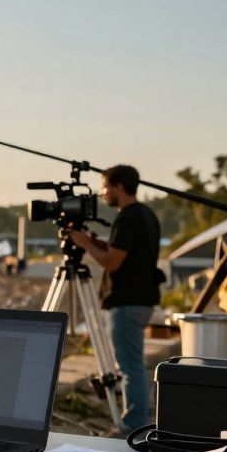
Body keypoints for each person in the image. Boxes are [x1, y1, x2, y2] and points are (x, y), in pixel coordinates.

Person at [67, 165, 162, 433]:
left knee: (130, 366)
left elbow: (114, 262)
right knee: (134, 363)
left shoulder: (128, 217)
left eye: (105, 187)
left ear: (119, 187)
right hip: (142, 298)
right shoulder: (146, 214)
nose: (103, 192)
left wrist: (85, 244)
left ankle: (133, 426)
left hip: (127, 301)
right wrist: (95, 243)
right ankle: (138, 420)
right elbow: (123, 252)